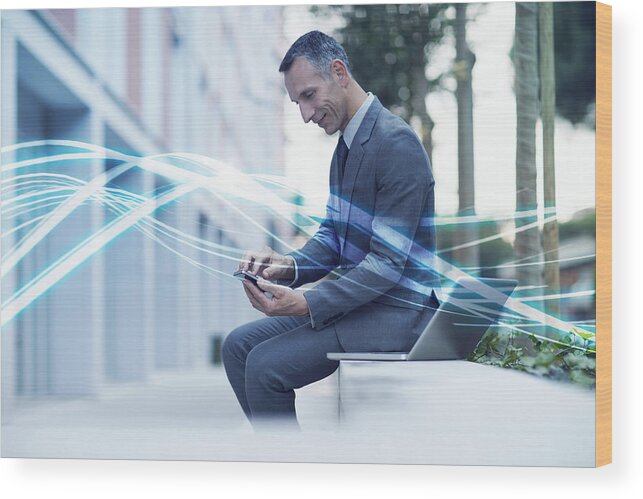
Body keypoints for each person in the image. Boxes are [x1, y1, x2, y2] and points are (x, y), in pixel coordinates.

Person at [222, 31, 439, 428]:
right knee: (238, 346)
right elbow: (334, 237)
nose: (305, 115)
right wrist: (285, 266)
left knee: (265, 368)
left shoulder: (396, 144)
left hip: (396, 315)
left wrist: (306, 303)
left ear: (339, 72)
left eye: (308, 96)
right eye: (297, 103)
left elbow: (387, 264)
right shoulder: (346, 148)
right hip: (362, 307)